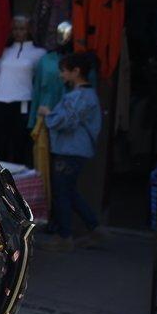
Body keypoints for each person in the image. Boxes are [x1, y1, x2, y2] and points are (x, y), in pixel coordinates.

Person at [38, 52, 104, 252]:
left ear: (76, 72)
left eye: (64, 71)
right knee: (69, 191)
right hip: (75, 150)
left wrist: (48, 114)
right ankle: (94, 227)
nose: (61, 75)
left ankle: (65, 236)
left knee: (62, 192)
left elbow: (65, 121)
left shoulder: (78, 96)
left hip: (70, 150)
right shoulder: (87, 95)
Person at [0, 14, 46, 165]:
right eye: (16, 29)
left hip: (23, 103)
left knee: (20, 144)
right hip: (0, 102)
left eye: (22, 29)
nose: (19, 32)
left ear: (29, 30)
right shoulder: (3, 52)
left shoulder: (39, 54)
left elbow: (40, 82)